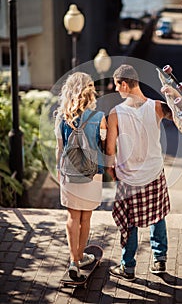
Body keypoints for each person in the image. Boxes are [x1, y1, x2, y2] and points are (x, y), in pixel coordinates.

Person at [106, 64, 172, 281]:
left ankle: (128, 267)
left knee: (129, 222)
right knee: (158, 215)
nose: (116, 90)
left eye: (117, 86)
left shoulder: (115, 114)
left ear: (124, 84)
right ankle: (159, 259)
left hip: (129, 178)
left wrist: (110, 169)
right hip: (154, 172)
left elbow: (109, 150)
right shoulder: (157, 106)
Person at [54, 72, 107, 279]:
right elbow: (104, 146)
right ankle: (81, 255)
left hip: (69, 171)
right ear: (90, 91)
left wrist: (59, 171)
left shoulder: (61, 116)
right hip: (92, 174)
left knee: (72, 216)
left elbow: (59, 149)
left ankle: (74, 262)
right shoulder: (99, 117)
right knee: (86, 217)